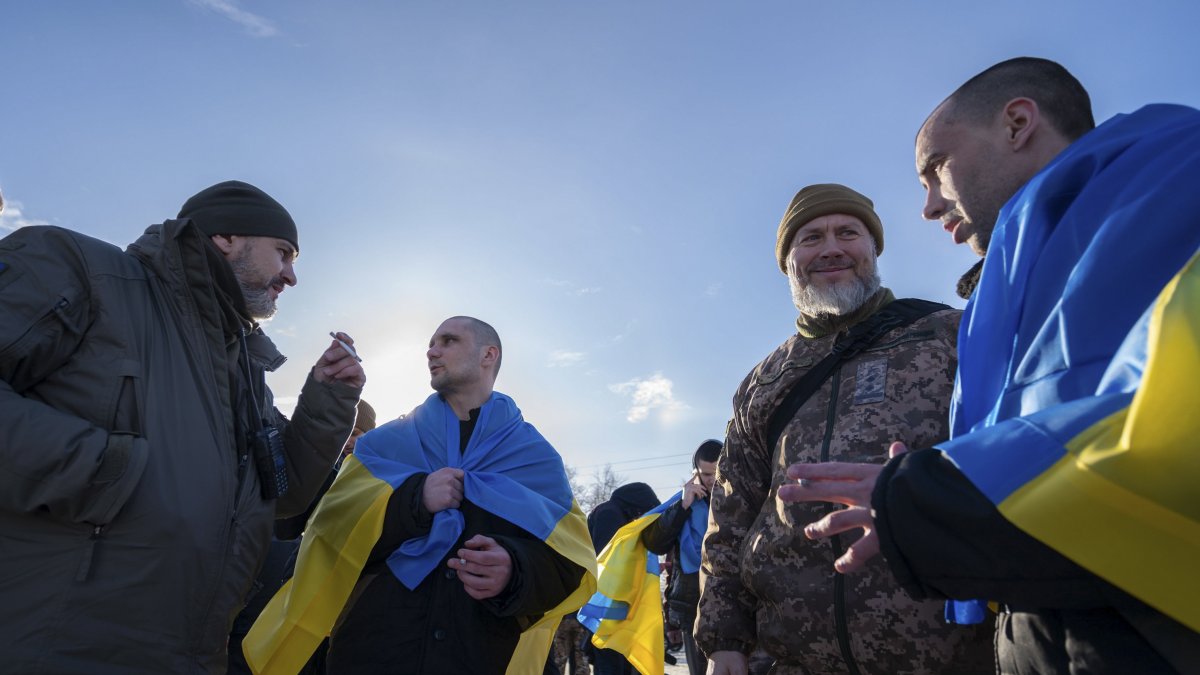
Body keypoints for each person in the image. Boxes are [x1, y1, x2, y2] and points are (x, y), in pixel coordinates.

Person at [782, 57, 1200, 673]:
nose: (927, 206)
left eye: (935, 168)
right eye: (809, 237)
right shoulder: (1008, 281)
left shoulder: (1178, 181)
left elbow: (1165, 428)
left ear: (1017, 123)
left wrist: (928, 501)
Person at [0, 180, 365, 672]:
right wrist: (109, 472)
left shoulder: (245, 370)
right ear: (226, 238)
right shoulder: (80, 268)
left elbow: (285, 497)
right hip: (53, 645)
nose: (291, 276)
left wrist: (328, 398)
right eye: (283, 253)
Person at [696, 183, 993, 674]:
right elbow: (730, 517)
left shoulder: (948, 335)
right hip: (792, 658)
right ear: (788, 261)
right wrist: (723, 639)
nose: (831, 248)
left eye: (848, 233)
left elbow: (1004, 464)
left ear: (873, 248)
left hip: (946, 652)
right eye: (810, 238)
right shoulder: (763, 381)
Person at [244, 316, 597, 675]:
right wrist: (413, 500)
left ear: (488, 354)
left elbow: (569, 565)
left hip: (479, 656)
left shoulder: (536, 456)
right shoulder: (383, 443)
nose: (432, 350)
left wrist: (515, 570)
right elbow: (328, 533)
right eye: (430, 343)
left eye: (448, 341)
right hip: (371, 655)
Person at [228, 397, 380, 675]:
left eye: (357, 434)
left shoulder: (377, 487)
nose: (348, 441)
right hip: (272, 597)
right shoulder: (317, 480)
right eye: (346, 433)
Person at [639, 439, 722, 675]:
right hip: (691, 607)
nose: (712, 480)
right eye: (706, 474)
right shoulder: (684, 501)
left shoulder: (742, 498)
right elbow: (655, 543)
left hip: (738, 604)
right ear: (696, 471)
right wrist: (682, 507)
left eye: (717, 472)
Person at [583, 481, 662, 675]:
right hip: (608, 606)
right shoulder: (610, 514)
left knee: (616, 661)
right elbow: (609, 560)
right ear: (637, 506)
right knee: (610, 663)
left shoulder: (614, 512)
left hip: (612, 605)